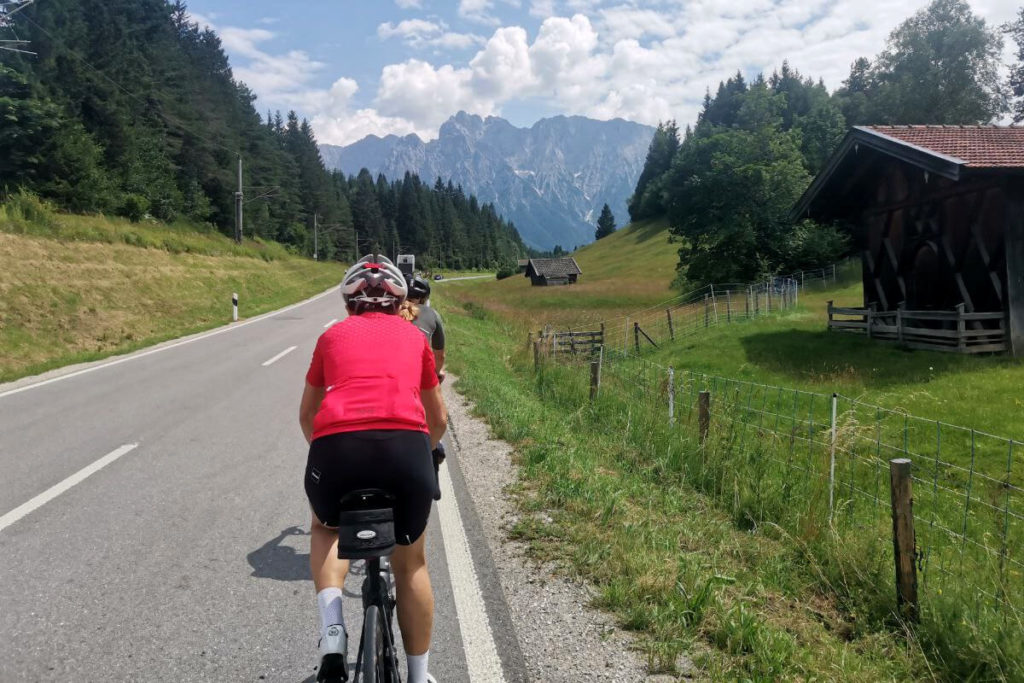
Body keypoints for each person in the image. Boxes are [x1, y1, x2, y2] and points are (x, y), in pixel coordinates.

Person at [299, 255, 446, 683]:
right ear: (400, 304)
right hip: (406, 453)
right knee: (411, 563)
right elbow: (437, 421)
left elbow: (308, 415)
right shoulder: (415, 337)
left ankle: (332, 637)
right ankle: (418, 677)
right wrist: (425, 452)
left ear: (349, 306)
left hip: (337, 452)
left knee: (325, 527)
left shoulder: (331, 338)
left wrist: (328, 451)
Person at [405, 276, 445, 383]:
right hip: (418, 373)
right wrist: (436, 373)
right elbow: (440, 356)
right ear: (424, 299)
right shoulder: (432, 314)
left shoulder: (391, 310)